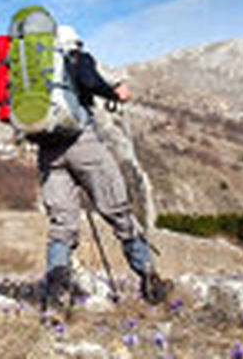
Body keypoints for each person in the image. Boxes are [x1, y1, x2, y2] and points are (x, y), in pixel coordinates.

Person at [34, 24, 170, 311]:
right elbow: (89, 80)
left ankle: (56, 297)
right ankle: (149, 279)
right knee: (117, 210)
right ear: (75, 44)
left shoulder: (37, 71)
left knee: (62, 224)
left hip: (49, 152)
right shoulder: (77, 59)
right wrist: (114, 92)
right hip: (83, 143)